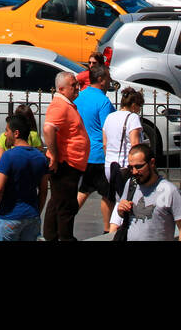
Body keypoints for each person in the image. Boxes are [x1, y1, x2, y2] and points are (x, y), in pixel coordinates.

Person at [107, 143, 181, 241]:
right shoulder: (131, 184)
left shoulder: (169, 190)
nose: (134, 172)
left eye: (138, 167)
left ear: (151, 163)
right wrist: (121, 210)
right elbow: (123, 214)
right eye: (131, 167)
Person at [42, 70, 90, 241]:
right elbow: (48, 129)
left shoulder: (66, 104)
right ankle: (65, 237)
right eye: (73, 85)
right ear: (61, 89)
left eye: (77, 84)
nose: (77, 88)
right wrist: (54, 156)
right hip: (65, 163)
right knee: (66, 205)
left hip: (71, 163)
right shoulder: (59, 105)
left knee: (57, 202)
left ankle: (52, 235)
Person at [0, 109, 49, 241]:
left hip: (9, 216)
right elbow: (44, 191)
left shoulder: (8, 156)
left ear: (16, 133)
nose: (5, 134)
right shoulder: (41, 158)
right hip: (32, 216)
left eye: (7, 131)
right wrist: (37, 212)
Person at [75, 63, 117, 233]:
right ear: (100, 80)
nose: (109, 82)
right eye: (107, 79)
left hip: (84, 154)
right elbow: (108, 128)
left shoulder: (79, 98)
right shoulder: (103, 101)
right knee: (108, 194)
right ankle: (108, 229)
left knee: (84, 189)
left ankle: (64, 220)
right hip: (100, 154)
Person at [102, 87, 145, 200]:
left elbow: (105, 144)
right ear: (134, 105)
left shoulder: (109, 117)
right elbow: (135, 144)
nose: (139, 110)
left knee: (118, 201)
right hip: (125, 167)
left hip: (110, 166)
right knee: (129, 201)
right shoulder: (133, 118)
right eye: (139, 106)